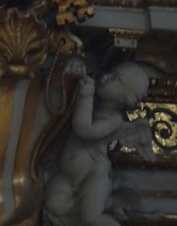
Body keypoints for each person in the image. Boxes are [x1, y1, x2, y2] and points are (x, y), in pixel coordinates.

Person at [43, 60, 153, 226]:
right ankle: (107, 204)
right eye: (110, 73)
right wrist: (79, 72)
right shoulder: (94, 103)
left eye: (116, 79)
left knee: (91, 217)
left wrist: (86, 94)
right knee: (52, 206)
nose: (106, 77)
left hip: (92, 176)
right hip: (66, 175)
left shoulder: (115, 120)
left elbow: (84, 130)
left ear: (129, 98)